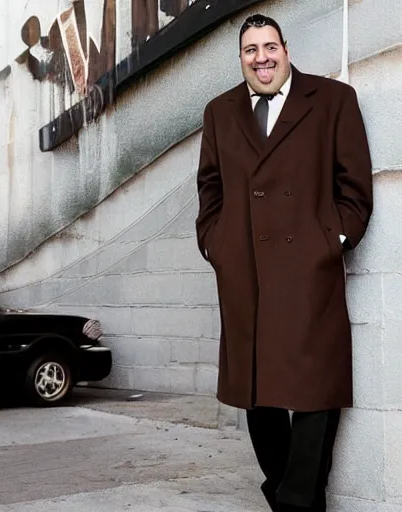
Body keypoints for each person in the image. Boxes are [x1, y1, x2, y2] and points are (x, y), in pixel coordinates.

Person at [195, 13, 373, 512]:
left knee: (317, 390)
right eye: (250, 50)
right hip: (245, 271)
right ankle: (287, 492)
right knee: (258, 391)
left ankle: (295, 499)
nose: (262, 58)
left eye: (269, 46)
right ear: (241, 59)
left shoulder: (333, 100)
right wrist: (216, 243)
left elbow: (355, 188)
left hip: (308, 269)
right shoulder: (220, 111)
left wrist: (332, 240)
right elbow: (209, 187)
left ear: (286, 49)